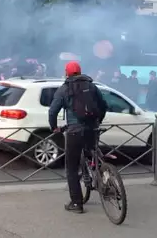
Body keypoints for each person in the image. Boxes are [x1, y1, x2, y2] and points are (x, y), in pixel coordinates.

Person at [48, 61, 107, 213]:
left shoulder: (64, 89)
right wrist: (97, 122)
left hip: (75, 131)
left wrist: (54, 127)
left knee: (72, 168)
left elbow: (53, 111)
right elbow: (103, 105)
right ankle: (107, 182)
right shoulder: (91, 86)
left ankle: (76, 203)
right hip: (92, 129)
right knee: (95, 156)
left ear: (66, 73)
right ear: (80, 71)